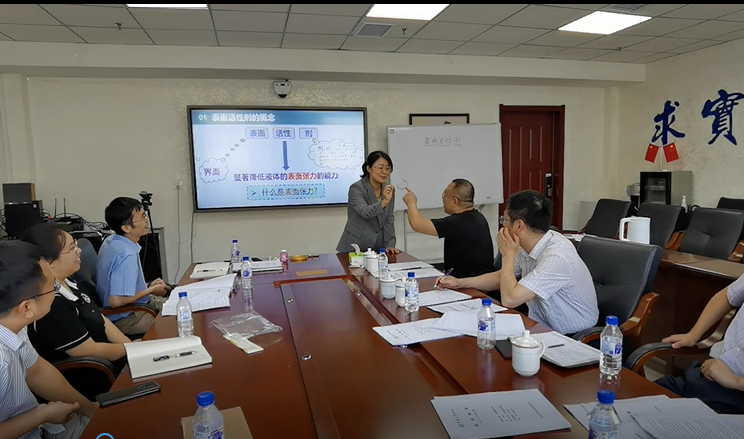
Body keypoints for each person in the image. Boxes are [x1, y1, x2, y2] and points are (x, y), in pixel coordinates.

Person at [437, 190, 598, 335]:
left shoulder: (556, 257)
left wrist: (508, 255)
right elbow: (502, 276)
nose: (503, 226)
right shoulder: (531, 242)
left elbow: (510, 299)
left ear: (519, 225)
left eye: (505, 220)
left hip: (574, 337)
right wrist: (459, 283)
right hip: (541, 326)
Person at [0, 241, 98, 439]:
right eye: (53, 286)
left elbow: (38, 371)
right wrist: (41, 415)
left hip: (40, 426)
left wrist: (90, 409)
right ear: (27, 308)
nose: (57, 290)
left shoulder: (14, 324)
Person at [21, 223, 130, 373]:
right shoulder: (52, 305)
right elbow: (90, 351)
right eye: (72, 248)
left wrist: (132, 347)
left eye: (76, 244)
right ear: (48, 262)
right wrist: (131, 350)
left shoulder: (68, 280)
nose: (79, 251)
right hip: (97, 372)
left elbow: (100, 318)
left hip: (114, 356)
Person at [655, 274, 744, 414]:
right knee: (634, 400)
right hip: (708, 374)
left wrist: (735, 381)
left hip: (735, 397)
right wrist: (693, 335)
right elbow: (728, 296)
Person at [96, 197, 170, 336]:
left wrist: (147, 287)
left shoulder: (111, 241)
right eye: (142, 217)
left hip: (133, 309)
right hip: (128, 318)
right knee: (181, 319)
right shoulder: (127, 254)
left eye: (145, 215)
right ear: (126, 228)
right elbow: (116, 301)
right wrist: (152, 290)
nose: (146, 221)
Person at [402, 179, 495, 278]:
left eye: (445, 195)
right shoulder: (477, 217)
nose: (443, 199)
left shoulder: (458, 222)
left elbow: (417, 224)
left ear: (454, 201)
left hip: (470, 283)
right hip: (474, 278)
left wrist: (411, 203)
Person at [336, 151, 400, 255]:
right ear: (369, 168)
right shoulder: (356, 188)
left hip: (378, 246)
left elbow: (389, 218)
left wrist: (390, 244)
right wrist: (384, 202)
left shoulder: (388, 189)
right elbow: (365, 212)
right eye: (380, 168)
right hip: (355, 245)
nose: (385, 172)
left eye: (388, 168)